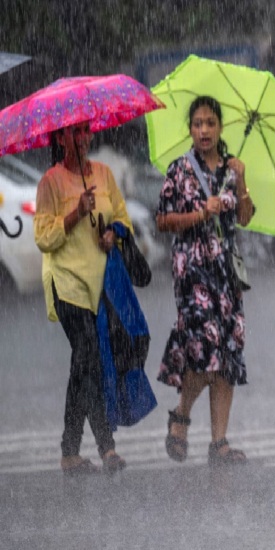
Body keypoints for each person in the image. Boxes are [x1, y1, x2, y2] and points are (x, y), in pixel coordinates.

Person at [156, 96, 255, 467]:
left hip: (226, 272)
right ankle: (181, 414)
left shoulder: (231, 169)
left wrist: (241, 180)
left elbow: (244, 217)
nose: (204, 130)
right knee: (202, 347)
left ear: (220, 127)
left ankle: (219, 442)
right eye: (197, 124)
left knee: (227, 351)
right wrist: (200, 213)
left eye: (210, 123)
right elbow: (162, 220)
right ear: (190, 129)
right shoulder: (179, 170)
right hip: (192, 270)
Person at [34, 121, 133, 475]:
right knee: (88, 356)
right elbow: (44, 238)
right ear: (59, 138)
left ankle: (69, 452)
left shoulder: (104, 174)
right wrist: (76, 212)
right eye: (73, 132)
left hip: (99, 284)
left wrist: (113, 233)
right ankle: (107, 447)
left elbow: (123, 219)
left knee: (83, 365)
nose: (81, 138)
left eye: (85, 130)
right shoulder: (50, 182)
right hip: (67, 284)